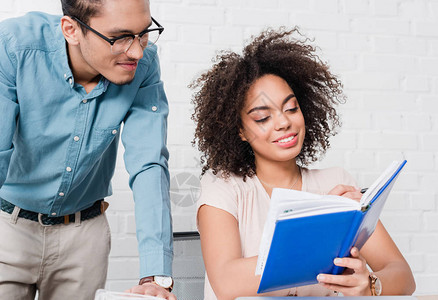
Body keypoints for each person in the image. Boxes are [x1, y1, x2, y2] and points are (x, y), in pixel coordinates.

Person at [190, 28, 416, 300]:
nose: (284, 122)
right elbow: (227, 283)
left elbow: (403, 275)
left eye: (291, 108)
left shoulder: (335, 184)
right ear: (239, 130)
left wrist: (369, 284)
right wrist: (320, 236)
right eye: (263, 117)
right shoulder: (223, 188)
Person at [0, 1, 175, 299]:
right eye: (119, 37)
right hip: (8, 227)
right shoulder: (14, 47)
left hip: (84, 237)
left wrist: (154, 276)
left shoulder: (143, 64)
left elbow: (149, 164)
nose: (136, 51)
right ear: (71, 30)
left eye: (143, 33)